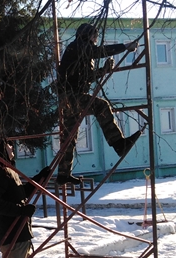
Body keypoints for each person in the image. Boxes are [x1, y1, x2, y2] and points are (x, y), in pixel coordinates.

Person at [56, 23, 142, 185]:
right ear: (89, 35)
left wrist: (103, 71)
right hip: (71, 96)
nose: (96, 40)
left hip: (69, 97)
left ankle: (63, 173)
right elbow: (97, 52)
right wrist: (124, 46)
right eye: (95, 36)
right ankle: (118, 143)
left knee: (70, 135)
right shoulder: (79, 46)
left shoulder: (80, 50)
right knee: (101, 106)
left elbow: (87, 77)